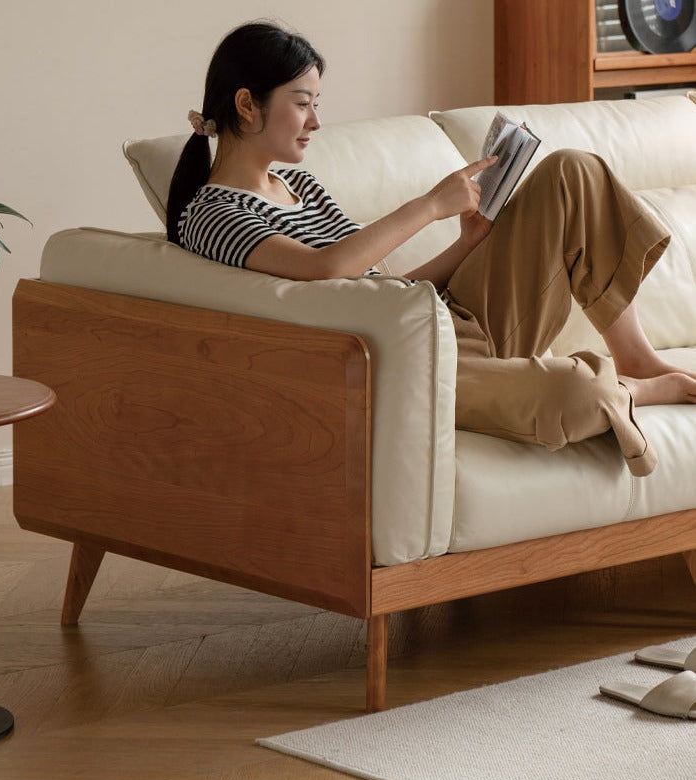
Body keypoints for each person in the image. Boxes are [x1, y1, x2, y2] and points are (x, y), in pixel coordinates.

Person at [167, 21, 696, 477]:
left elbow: (384, 289)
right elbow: (323, 270)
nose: (315, 122)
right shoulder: (213, 214)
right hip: (407, 365)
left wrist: (465, 247)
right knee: (571, 394)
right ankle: (637, 391)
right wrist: (431, 204)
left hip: (441, 316)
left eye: (315, 105)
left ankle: (636, 359)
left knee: (571, 171)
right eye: (302, 104)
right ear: (246, 105)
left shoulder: (300, 188)